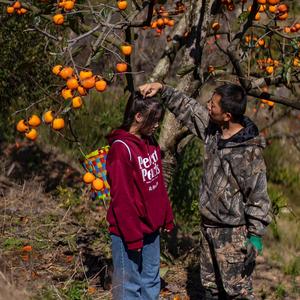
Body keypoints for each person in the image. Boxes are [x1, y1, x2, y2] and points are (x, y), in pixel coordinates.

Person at [139, 82, 272, 300]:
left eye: (213, 104)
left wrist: (255, 235)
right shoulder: (213, 131)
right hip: (208, 227)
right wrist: (162, 89)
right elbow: (189, 109)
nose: (208, 106)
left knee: (236, 293)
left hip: (232, 234)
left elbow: (258, 195)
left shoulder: (248, 152)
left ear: (228, 115)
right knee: (210, 289)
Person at [106, 93, 174, 300]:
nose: (157, 125)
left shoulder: (150, 141)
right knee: (129, 285)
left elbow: (157, 183)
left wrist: (165, 215)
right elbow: (122, 199)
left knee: (151, 279)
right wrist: (133, 236)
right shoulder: (121, 149)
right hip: (129, 232)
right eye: (153, 120)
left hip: (151, 228)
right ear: (138, 116)